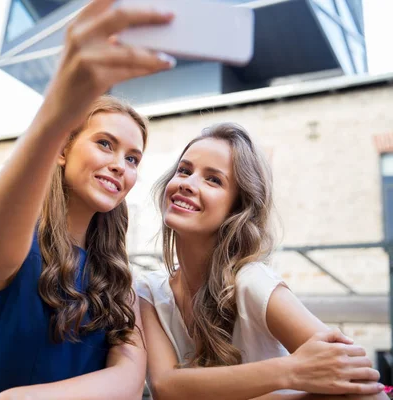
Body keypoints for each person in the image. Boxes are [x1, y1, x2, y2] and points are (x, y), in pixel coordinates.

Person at [0, 1, 178, 399]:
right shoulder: (17, 249)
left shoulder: (118, 282)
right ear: (63, 149)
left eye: (132, 158)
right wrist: (59, 108)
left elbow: (128, 381)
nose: (120, 165)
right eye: (104, 144)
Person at [136, 123, 388, 400]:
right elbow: (165, 386)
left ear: (238, 209)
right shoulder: (148, 291)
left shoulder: (251, 283)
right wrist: (291, 371)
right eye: (184, 170)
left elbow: (360, 383)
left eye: (213, 180)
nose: (187, 183)